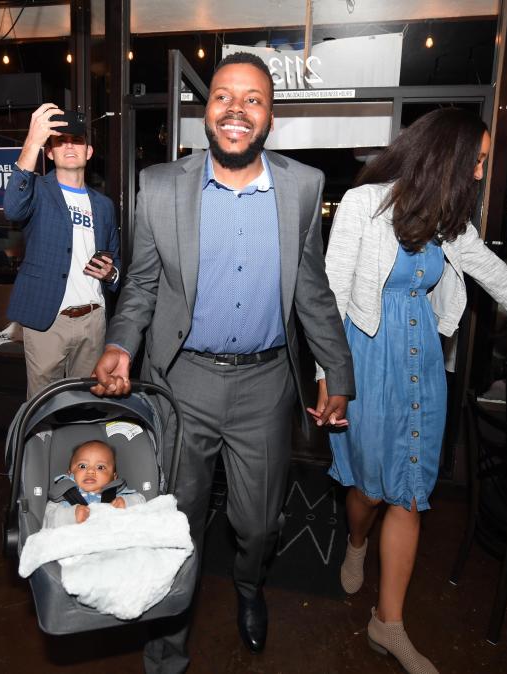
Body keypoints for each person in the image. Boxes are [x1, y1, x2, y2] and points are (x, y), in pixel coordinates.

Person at [318, 108, 507, 674]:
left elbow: (505, 281)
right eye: (477, 160)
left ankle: (389, 623)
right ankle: (357, 538)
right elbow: (332, 293)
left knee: (409, 491)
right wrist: (327, 375)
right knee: (370, 488)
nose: (481, 172)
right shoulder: (365, 204)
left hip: (422, 365)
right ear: (446, 155)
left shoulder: (451, 223)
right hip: (366, 358)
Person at [92, 52, 354, 669]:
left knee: (258, 524)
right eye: (223, 97)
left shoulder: (302, 187)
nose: (236, 109)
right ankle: (166, 652)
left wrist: (335, 373)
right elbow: (143, 285)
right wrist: (118, 343)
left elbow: (312, 291)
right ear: (205, 111)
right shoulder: (160, 185)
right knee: (172, 522)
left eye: (253, 99)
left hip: (266, 387)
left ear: (269, 116)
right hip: (181, 382)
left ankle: (248, 586)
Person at [4, 106, 121, 399]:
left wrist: (112, 273)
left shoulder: (104, 205)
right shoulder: (38, 191)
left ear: (89, 152)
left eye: (76, 140)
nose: (69, 144)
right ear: (50, 153)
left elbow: (115, 261)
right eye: (60, 141)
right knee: (42, 407)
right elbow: (12, 208)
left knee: (85, 402)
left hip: (93, 320)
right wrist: (32, 141)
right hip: (48, 320)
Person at [42, 440, 146, 527]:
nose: (90, 471)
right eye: (82, 466)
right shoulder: (61, 498)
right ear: (69, 474)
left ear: (114, 477)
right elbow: (48, 521)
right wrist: (71, 516)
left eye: (100, 467)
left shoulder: (120, 495)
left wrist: (126, 504)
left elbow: (143, 503)